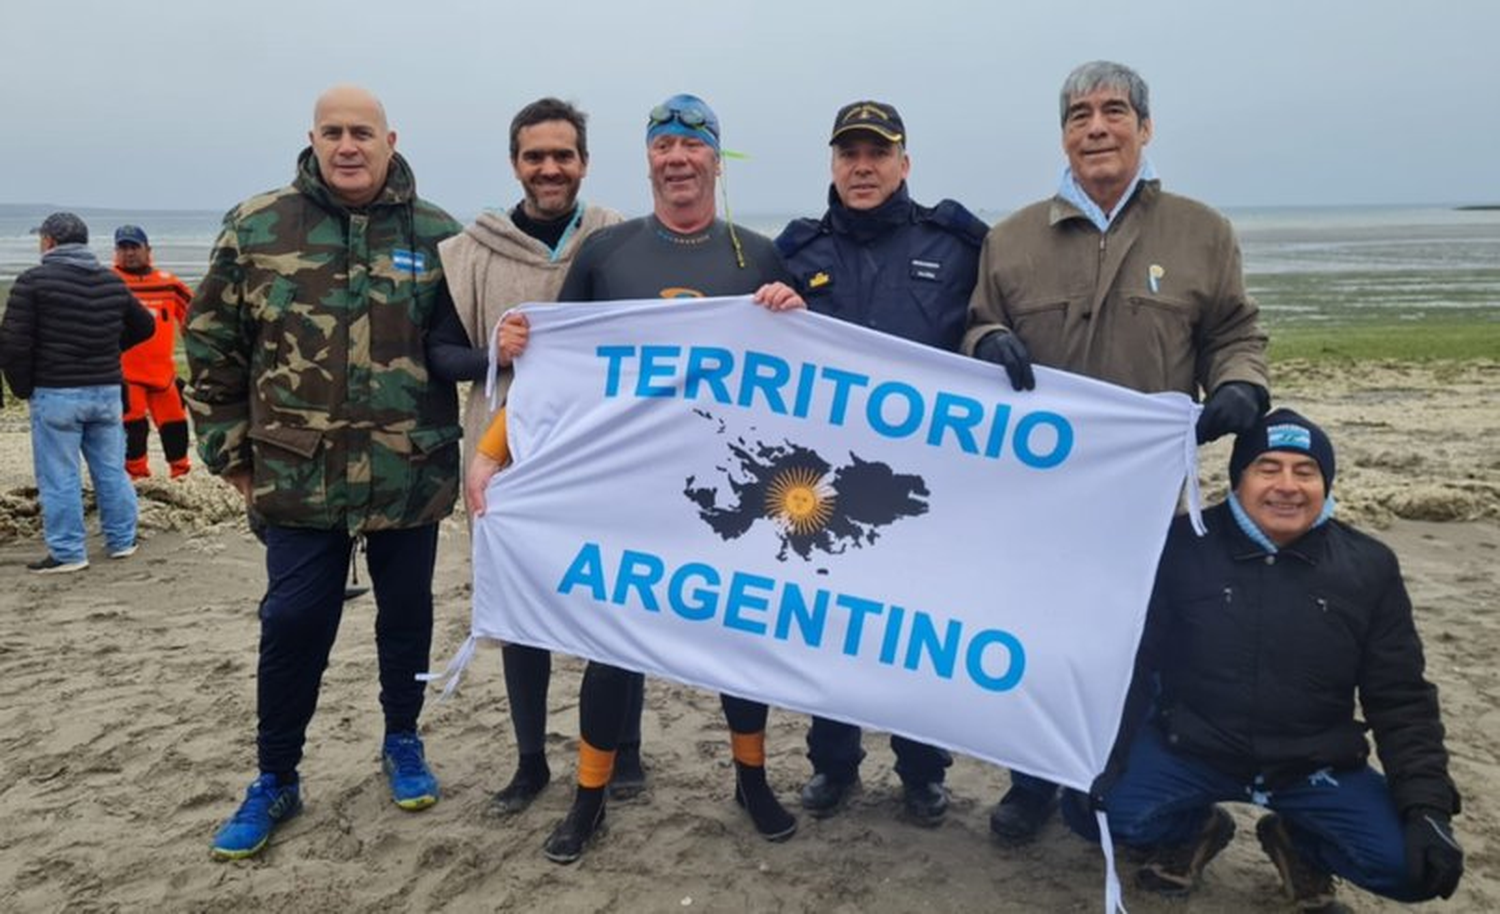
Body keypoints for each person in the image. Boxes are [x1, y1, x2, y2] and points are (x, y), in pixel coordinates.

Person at [467, 93, 804, 864]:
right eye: (663, 145)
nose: (677, 158)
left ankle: (751, 780)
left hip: (730, 495)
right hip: (624, 496)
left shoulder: (760, 257)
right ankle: (589, 798)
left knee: (737, 639)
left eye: (693, 144)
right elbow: (559, 376)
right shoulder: (608, 253)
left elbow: (803, 390)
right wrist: (493, 448)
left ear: (718, 158)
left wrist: (790, 315)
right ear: (647, 158)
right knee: (611, 645)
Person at [963, 59, 1271, 845]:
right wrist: (988, 338)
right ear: (1062, 135)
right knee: (1037, 647)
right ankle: (1032, 780)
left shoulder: (1202, 231)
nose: (1095, 127)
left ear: (1145, 126)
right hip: (1041, 503)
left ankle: (1120, 781)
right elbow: (975, 326)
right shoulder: (1011, 238)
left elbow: (1234, 332)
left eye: (1112, 112)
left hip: (1151, 504)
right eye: (1077, 116)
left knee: (1140, 652)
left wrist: (1240, 386)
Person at [184, 85, 463, 861]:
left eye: (362, 133)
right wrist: (232, 461)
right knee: (293, 626)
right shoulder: (259, 225)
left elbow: (472, 345)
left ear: (389, 139)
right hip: (297, 479)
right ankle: (276, 776)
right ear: (312, 137)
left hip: (410, 475)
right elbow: (210, 347)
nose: (348, 146)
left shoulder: (439, 233)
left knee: (407, 620)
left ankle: (402, 739)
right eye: (334, 132)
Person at [1063, 409, 1464, 911]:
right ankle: (1194, 829)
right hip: (1192, 748)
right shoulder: (1183, 547)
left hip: (1312, 765)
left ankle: (1298, 843)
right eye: (1268, 468)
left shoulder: (1369, 566)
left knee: (1412, 869)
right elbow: (1134, 667)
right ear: (1238, 479)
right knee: (1090, 809)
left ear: (1326, 481)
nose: (1287, 486)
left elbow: (1402, 698)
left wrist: (1427, 810)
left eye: (1305, 471)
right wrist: (1107, 758)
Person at [775, 99, 987, 825]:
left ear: (905, 162)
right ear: (832, 164)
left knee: (915, 634)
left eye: (877, 153)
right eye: (848, 155)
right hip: (824, 486)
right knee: (830, 630)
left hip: (925, 483)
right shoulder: (798, 251)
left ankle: (923, 772)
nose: (861, 168)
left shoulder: (957, 241)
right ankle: (833, 767)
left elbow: (999, 314)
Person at [425, 97, 633, 816]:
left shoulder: (617, 237)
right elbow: (439, 352)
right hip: (504, 455)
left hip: (601, 451)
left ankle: (623, 751)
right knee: (520, 612)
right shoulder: (470, 251)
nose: (550, 169)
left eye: (563, 155)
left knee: (612, 604)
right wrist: (492, 352)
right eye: (535, 156)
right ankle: (529, 761)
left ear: (583, 162)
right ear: (515, 163)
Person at [0, 212, 154, 573]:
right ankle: (121, 540)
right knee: (112, 469)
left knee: (59, 474)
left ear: (49, 242)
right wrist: (108, 349)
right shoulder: (109, 281)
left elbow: (13, 343)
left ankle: (69, 552)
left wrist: (23, 386)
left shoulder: (33, 282)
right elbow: (144, 325)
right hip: (105, 390)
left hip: (56, 391)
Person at [112, 225, 194, 479]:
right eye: (123, 248)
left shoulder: (169, 284)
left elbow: (197, 319)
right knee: (133, 427)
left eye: (134, 247)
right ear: (115, 252)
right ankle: (136, 477)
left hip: (163, 374)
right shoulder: (108, 282)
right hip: (126, 375)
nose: (129, 253)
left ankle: (181, 474)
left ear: (148, 250)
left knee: (176, 425)